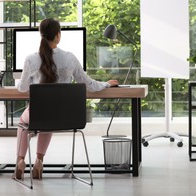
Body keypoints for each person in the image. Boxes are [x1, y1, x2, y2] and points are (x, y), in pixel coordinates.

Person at [13, 18, 119, 180]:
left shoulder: (30, 59)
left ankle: (20, 162)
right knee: (48, 118)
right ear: (57, 36)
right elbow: (88, 84)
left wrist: (24, 82)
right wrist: (106, 83)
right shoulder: (70, 58)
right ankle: (39, 162)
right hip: (66, 117)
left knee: (26, 120)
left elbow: (22, 88)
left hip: (39, 114)